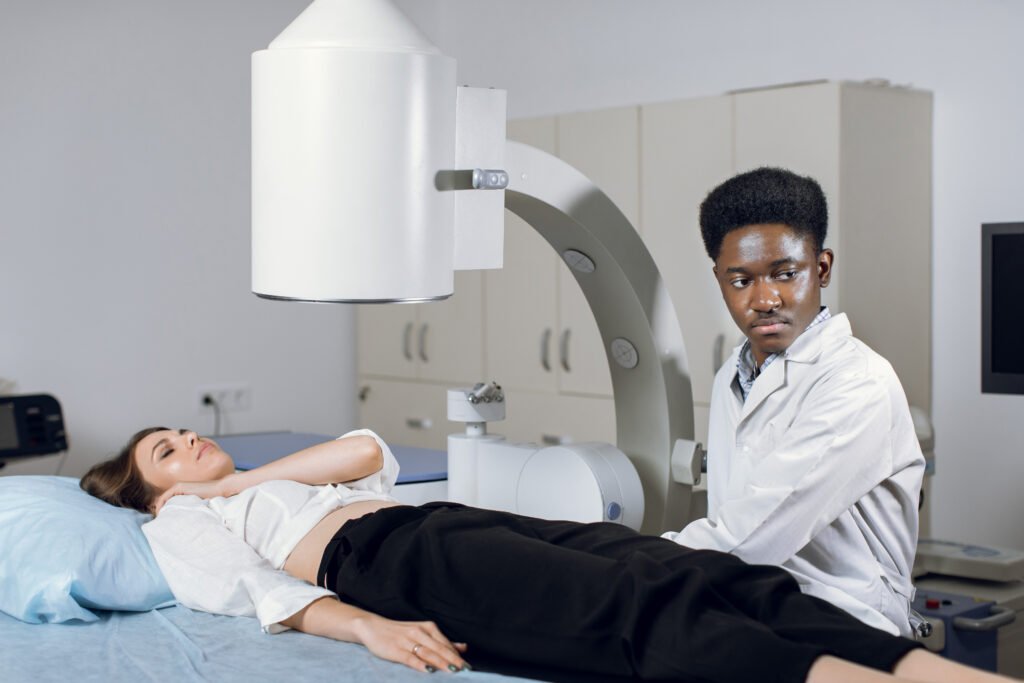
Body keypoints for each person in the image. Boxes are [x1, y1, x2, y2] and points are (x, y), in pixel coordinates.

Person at [79, 427, 1012, 683]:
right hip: (383, 563)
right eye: (166, 451)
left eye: (182, 431)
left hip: (444, 521)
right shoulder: (178, 524)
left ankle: (939, 674)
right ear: (154, 494)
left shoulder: (250, 483)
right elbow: (245, 591)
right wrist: (369, 627)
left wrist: (232, 480)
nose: (187, 441)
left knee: (692, 569)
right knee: (633, 614)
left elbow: (366, 447)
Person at [662, 167, 926, 637]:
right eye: (741, 281)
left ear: (821, 267)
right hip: (757, 612)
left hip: (849, 626)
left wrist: (624, 562)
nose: (764, 300)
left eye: (785, 274)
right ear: (719, 279)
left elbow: (755, 532)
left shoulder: (857, 382)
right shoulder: (733, 376)